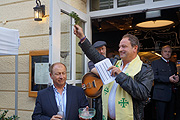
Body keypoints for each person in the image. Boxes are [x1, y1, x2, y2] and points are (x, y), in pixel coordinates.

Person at [73, 25, 154, 120]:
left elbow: (142, 94)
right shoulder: (114, 63)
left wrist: (120, 75)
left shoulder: (145, 69)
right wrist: (82, 38)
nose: (120, 50)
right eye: (119, 47)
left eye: (124, 47)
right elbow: (95, 56)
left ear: (135, 48)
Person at [151, 45, 179, 120]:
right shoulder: (155, 63)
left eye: (169, 52)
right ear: (161, 52)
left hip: (171, 95)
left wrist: (176, 78)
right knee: (161, 117)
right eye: (165, 51)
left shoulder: (172, 64)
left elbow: (174, 75)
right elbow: (153, 77)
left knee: (170, 117)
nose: (167, 53)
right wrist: (167, 79)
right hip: (161, 96)